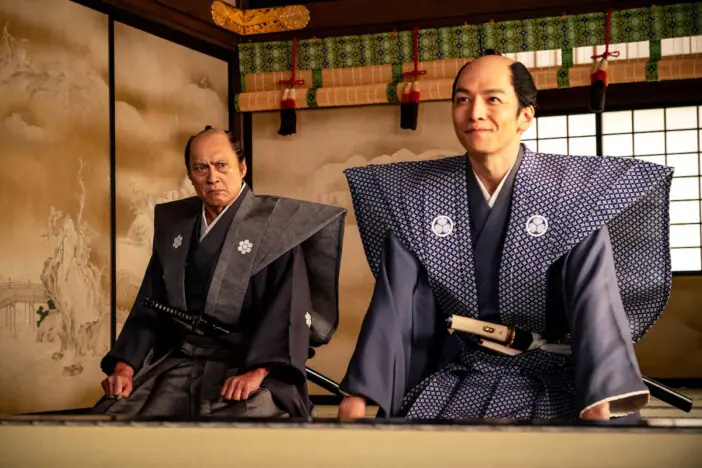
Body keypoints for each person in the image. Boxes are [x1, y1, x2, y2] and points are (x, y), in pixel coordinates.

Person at [337, 54, 673, 422]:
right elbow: (395, 305)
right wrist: (358, 395)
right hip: (465, 373)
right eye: (462, 99)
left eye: (493, 99)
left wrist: (599, 399)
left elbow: (595, 302)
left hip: (557, 377)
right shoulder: (417, 197)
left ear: (525, 116)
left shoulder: (574, 194)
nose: (475, 113)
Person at [92, 126, 346, 419]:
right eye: (201, 168)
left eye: (221, 165)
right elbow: (149, 307)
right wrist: (124, 368)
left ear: (242, 168)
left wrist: (255, 373)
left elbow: (288, 313)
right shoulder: (176, 229)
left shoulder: (277, 230)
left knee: (243, 422)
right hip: (182, 362)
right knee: (114, 413)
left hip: (249, 365)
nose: (212, 177)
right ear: (190, 176)